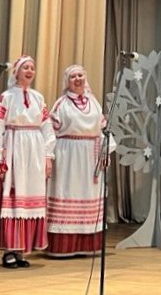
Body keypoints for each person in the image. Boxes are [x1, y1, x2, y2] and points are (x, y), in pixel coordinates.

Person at [0, 56, 56, 268]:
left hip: (34, 151)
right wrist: (0, 156)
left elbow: (47, 127)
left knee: (30, 199)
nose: (30, 71)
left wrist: (48, 155)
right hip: (14, 147)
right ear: (16, 72)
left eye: (32, 67)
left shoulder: (38, 98)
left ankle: (22, 248)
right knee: (13, 197)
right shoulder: (6, 97)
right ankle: (9, 249)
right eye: (25, 67)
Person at [46, 64, 116, 257]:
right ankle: (63, 246)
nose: (77, 79)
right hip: (68, 155)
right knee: (67, 192)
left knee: (88, 196)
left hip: (90, 156)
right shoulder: (61, 104)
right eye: (73, 77)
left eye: (80, 75)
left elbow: (102, 130)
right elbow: (50, 131)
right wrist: (49, 155)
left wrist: (105, 152)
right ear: (67, 82)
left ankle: (88, 245)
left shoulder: (94, 102)